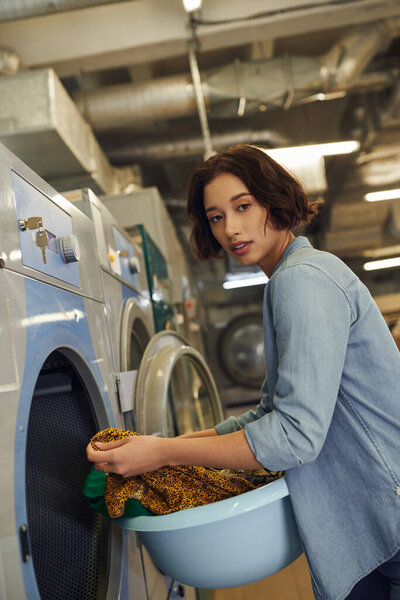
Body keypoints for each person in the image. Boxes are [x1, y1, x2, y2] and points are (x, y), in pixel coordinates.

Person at [87, 144, 400, 600]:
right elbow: (269, 414)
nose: (230, 228)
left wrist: (163, 455)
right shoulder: (292, 279)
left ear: (273, 200)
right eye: (215, 217)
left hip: (387, 512)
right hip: (376, 513)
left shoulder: (303, 280)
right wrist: (157, 448)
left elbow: (294, 436)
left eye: (243, 206)